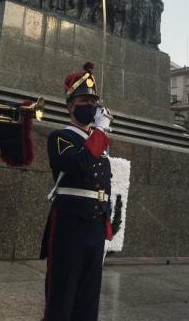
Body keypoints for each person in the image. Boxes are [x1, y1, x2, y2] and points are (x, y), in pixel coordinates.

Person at [40, 61, 113, 321]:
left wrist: (107, 220)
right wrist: (100, 131)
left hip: (94, 224)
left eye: (93, 100)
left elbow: (104, 183)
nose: (90, 106)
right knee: (63, 291)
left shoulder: (98, 143)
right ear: (70, 105)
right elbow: (76, 164)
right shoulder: (61, 137)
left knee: (88, 295)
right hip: (70, 222)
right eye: (83, 100)